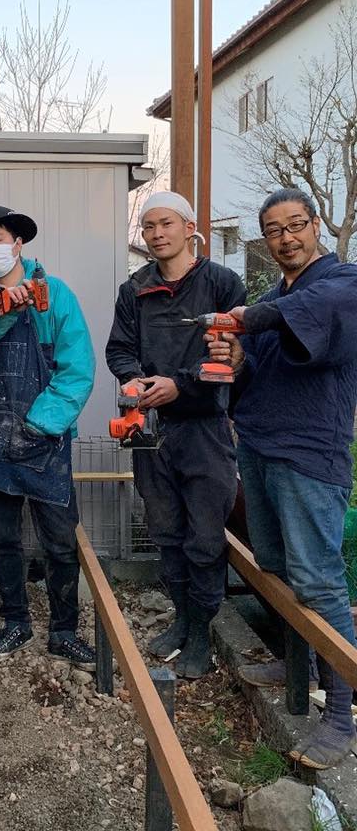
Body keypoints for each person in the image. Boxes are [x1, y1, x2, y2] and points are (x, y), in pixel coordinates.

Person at [207, 187, 357, 769]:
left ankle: (339, 711)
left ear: (315, 226)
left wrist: (244, 318)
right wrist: (239, 359)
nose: (286, 237)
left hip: (310, 456)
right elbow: (256, 372)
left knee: (318, 581)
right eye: (274, 230)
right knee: (274, 567)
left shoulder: (341, 283)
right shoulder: (275, 295)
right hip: (262, 448)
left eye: (296, 225)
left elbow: (299, 321)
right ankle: (300, 663)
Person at [0, 205, 96, 668]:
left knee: (59, 540)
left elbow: (78, 368)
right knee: (5, 539)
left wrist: (40, 424)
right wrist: (1, 311)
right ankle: (15, 623)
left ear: (18, 244)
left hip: (45, 438)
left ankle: (64, 631)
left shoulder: (57, 295)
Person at [105, 191, 246, 678]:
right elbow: (119, 348)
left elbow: (229, 353)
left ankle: (202, 633)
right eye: (148, 227)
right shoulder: (135, 288)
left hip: (205, 428)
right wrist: (133, 379)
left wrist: (179, 384)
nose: (157, 233)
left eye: (165, 224)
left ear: (189, 228)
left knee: (205, 537)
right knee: (166, 533)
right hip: (151, 428)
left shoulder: (223, 284)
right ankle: (183, 618)